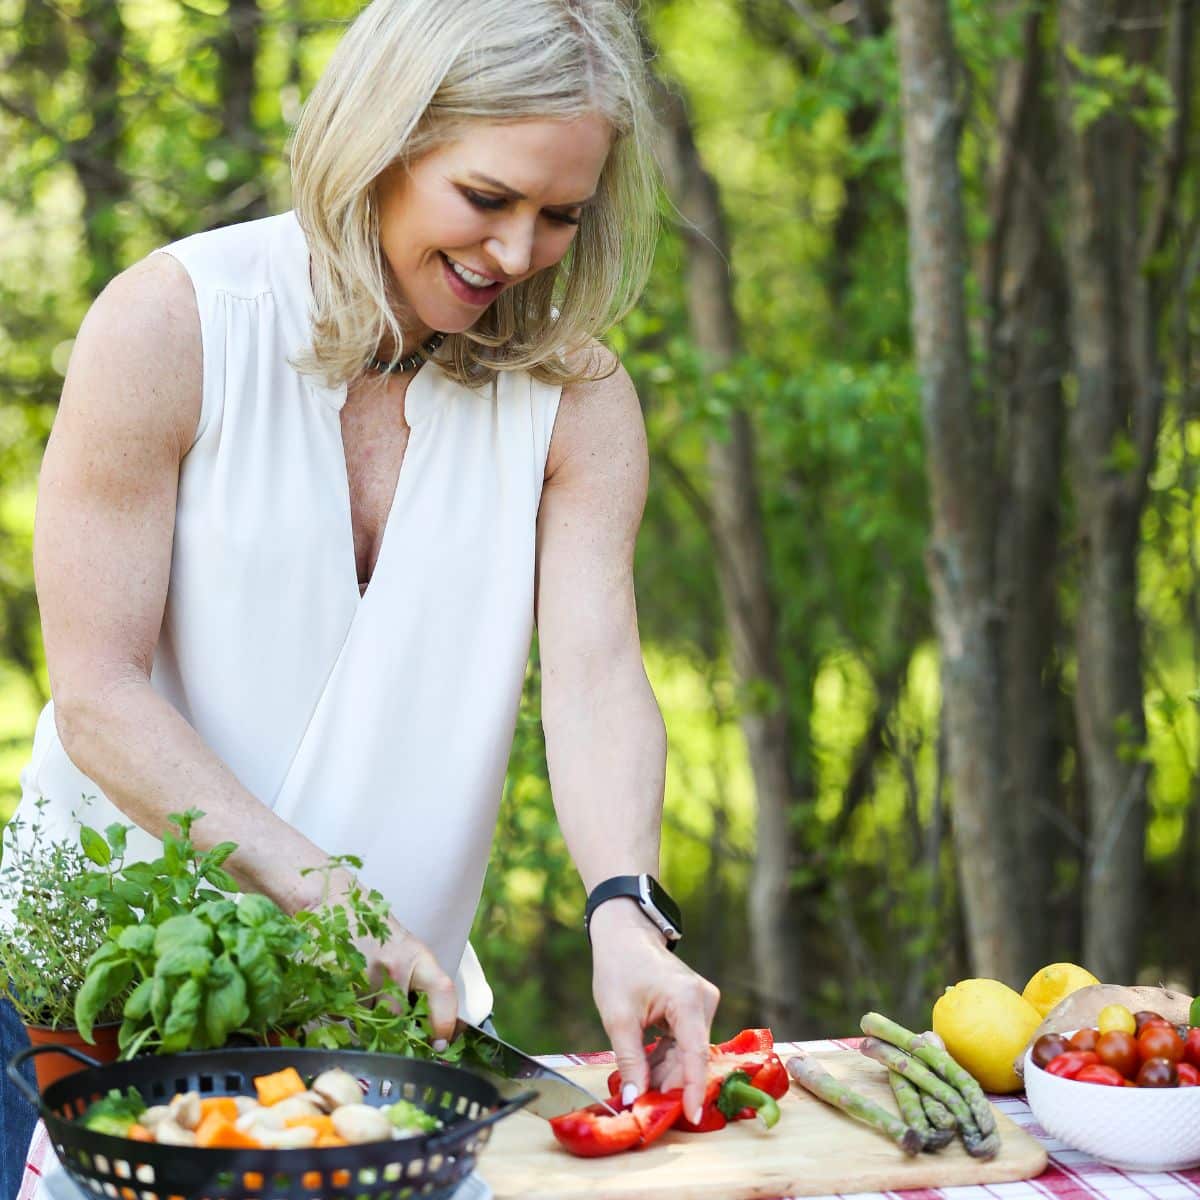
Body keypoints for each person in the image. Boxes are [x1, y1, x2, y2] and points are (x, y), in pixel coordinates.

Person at [0, 0, 722, 1191]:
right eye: (486, 199)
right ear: (381, 142)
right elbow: (100, 696)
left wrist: (624, 914)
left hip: (379, 1039)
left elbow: (596, 675)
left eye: (561, 216)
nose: (516, 252)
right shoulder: (172, 324)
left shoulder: (577, 398)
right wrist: (324, 897)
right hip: (97, 1005)